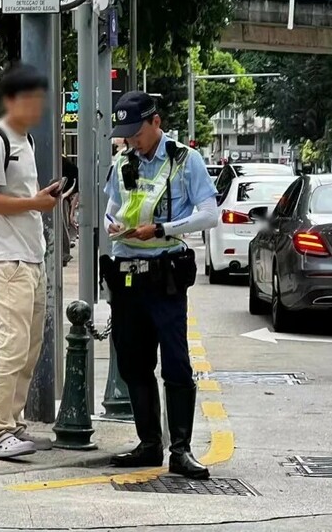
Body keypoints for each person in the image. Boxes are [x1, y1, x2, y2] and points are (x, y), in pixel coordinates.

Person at [100, 91, 219, 479]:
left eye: (136, 131)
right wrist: (114, 225)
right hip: (127, 274)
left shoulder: (186, 160)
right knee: (133, 363)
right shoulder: (122, 162)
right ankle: (149, 443)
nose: (130, 139)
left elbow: (208, 215)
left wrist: (164, 228)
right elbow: (110, 211)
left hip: (165, 274)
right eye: (125, 133)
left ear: (156, 122)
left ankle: (181, 449)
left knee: (176, 363)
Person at [0, 64, 61, 459]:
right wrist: (35, 203)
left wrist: (39, 197)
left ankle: (14, 424)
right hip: (8, 260)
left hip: (31, 256)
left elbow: (18, 195)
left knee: (29, 347)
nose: (38, 107)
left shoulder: (27, 141)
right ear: (11, 101)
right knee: (11, 346)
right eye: (31, 99)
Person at [61, 154, 79, 266]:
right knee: (63, 225)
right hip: (63, 198)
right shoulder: (68, 164)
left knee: (62, 225)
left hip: (63, 198)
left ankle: (64, 253)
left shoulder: (68, 165)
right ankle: (64, 253)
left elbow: (76, 186)